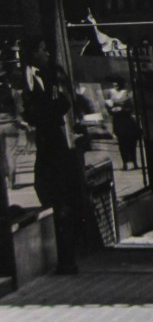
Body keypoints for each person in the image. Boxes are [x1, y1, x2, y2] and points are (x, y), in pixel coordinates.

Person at [19, 37, 86, 274]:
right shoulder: (27, 77)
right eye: (43, 50)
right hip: (47, 140)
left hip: (53, 139)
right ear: (34, 53)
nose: (46, 54)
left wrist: (45, 114)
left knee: (57, 195)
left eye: (46, 50)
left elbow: (62, 104)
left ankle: (67, 259)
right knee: (51, 192)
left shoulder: (49, 76)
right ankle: (66, 257)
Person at [104, 77, 141, 170]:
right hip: (118, 121)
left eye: (117, 83)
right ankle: (125, 163)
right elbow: (108, 109)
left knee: (131, 142)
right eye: (114, 84)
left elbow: (131, 108)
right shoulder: (110, 93)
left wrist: (122, 109)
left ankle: (134, 161)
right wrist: (111, 109)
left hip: (127, 120)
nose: (115, 85)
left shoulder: (126, 94)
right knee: (122, 143)